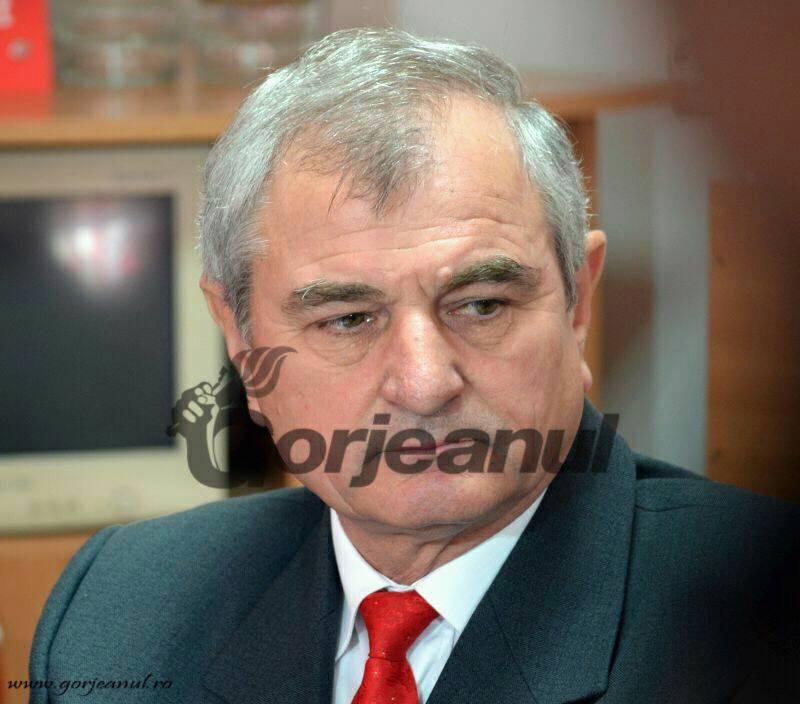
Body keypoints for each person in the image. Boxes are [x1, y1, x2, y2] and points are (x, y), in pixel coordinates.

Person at [30, 28, 799, 704]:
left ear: (577, 304)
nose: (425, 384)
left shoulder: (762, 621)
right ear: (241, 340)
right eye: (348, 320)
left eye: (482, 305)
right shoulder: (118, 612)